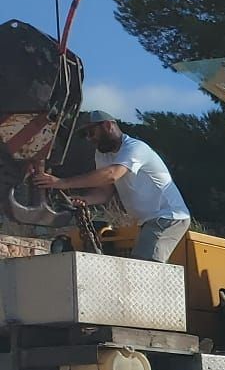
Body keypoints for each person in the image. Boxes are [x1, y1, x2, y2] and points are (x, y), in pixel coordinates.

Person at [30, 110, 191, 262]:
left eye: (91, 132)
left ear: (108, 125)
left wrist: (61, 183)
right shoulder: (102, 155)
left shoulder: (135, 148)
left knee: (145, 265)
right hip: (149, 220)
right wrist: (84, 200)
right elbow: (105, 192)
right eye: (85, 135)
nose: (89, 138)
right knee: (142, 265)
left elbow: (111, 175)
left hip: (168, 217)